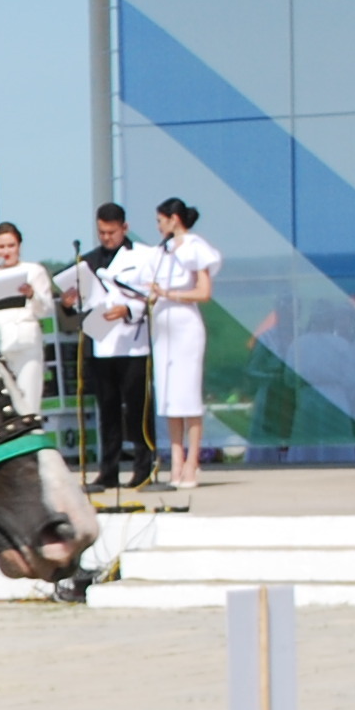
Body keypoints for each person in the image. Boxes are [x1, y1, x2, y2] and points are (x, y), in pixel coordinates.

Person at [56, 203, 159, 491]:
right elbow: (80, 302)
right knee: (107, 409)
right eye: (102, 232)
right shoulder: (88, 261)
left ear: (124, 228)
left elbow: (152, 295)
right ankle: (108, 470)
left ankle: (143, 465)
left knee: (137, 408)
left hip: (133, 343)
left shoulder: (143, 256)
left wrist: (127, 309)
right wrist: (68, 301)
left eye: (111, 232)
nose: (106, 238)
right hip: (100, 342)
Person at [149, 196, 223, 493]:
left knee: (188, 393)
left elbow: (204, 291)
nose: (158, 227)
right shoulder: (163, 250)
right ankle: (175, 459)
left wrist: (170, 293)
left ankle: (193, 459)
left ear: (173, 218)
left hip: (185, 322)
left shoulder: (194, 247)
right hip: (164, 323)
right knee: (169, 395)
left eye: (160, 220)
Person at [0, 222, 57, 417]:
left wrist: (32, 294)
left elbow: (46, 309)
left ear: (19, 246)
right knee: (2, 402)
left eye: (11, 245)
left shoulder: (34, 270)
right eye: (1, 247)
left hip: (26, 343)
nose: (7, 251)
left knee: (29, 401)